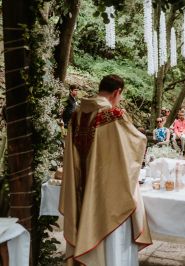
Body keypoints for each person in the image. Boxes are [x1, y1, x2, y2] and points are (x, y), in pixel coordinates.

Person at [59, 74, 152, 265]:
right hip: (108, 193)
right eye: (120, 95)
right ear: (117, 92)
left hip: (80, 187)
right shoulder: (113, 115)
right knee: (114, 240)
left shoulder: (77, 115)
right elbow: (136, 143)